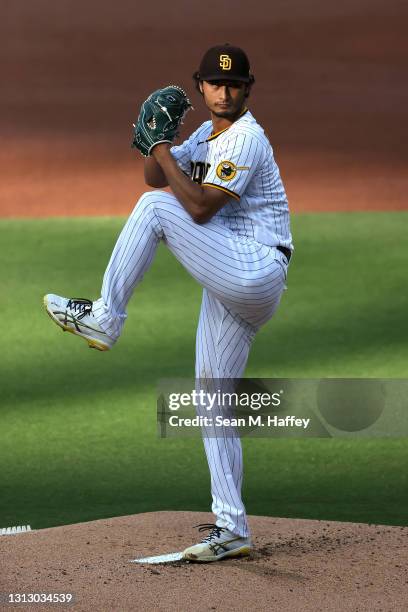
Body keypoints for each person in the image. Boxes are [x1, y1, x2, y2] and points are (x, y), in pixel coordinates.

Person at [44, 44, 293, 562]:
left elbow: (197, 208)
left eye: (234, 84)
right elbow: (156, 174)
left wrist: (159, 150)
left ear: (248, 88)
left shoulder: (246, 138)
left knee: (155, 210)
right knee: (212, 399)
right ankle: (232, 527)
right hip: (234, 278)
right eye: (215, 83)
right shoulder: (206, 134)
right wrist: (160, 143)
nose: (224, 91)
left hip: (255, 268)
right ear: (200, 87)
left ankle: (105, 318)